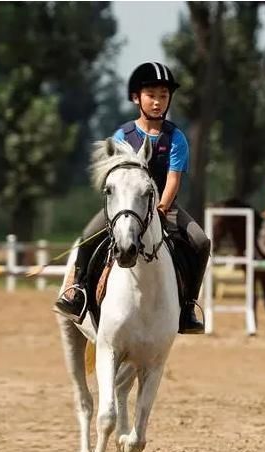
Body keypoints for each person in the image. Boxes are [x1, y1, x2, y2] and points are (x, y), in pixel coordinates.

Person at [54, 62, 210, 334]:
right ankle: (77, 290)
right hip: (124, 207)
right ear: (137, 98)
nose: (158, 102)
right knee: (87, 236)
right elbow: (112, 177)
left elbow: (173, 179)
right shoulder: (121, 136)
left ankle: (187, 307)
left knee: (201, 241)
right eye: (151, 95)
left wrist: (161, 208)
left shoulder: (176, 138)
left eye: (163, 96)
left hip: (163, 206)